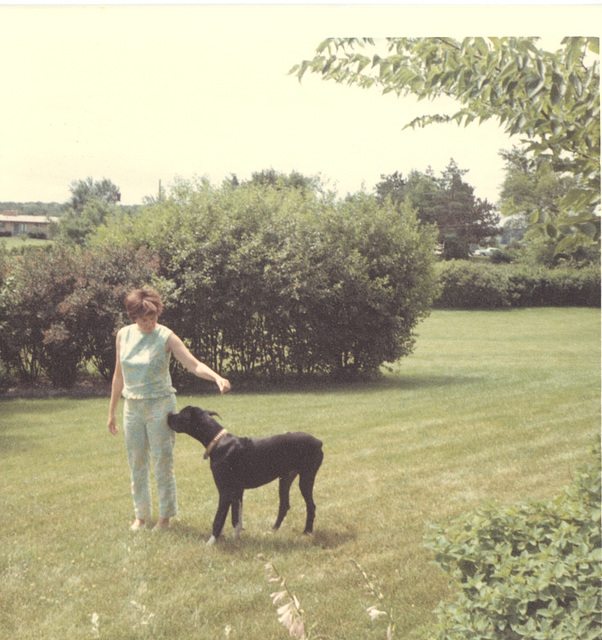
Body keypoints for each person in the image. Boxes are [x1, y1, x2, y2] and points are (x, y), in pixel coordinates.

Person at [107, 287, 230, 531]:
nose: (149, 322)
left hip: (160, 407)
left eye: (153, 317)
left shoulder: (166, 336)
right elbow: (118, 375)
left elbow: (193, 364)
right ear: (133, 317)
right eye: (144, 319)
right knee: (136, 462)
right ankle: (140, 516)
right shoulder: (123, 335)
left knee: (163, 462)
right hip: (132, 407)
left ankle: (165, 518)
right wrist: (111, 411)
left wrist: (216, 377)